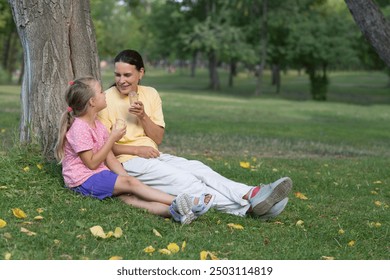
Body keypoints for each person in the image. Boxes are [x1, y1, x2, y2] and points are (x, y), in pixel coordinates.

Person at [98, 50, 293, 220]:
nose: (121, 80)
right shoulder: (106, 99)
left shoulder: (151, 94)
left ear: (141, 73)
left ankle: (252, 193)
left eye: (127, 75)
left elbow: (157, 138)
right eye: (117, 75)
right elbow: (105, 148)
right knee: (187, 182)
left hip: (155, 156)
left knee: (199, 169)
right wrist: (137, 149)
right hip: (128, 162)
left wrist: (143, 116)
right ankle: (250, 207)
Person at [54, 77, 214, 225]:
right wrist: (113, 139)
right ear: (92, 102)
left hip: (97, 175)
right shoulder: (79, 128)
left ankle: (174, 212)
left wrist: (126, 178)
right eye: (101, 92)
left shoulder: (97, 124)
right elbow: (91, 163)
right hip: (83, 180)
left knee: (130, 197)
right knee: (131, 184)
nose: (105, 94)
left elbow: (110, 157)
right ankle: (187, 202)